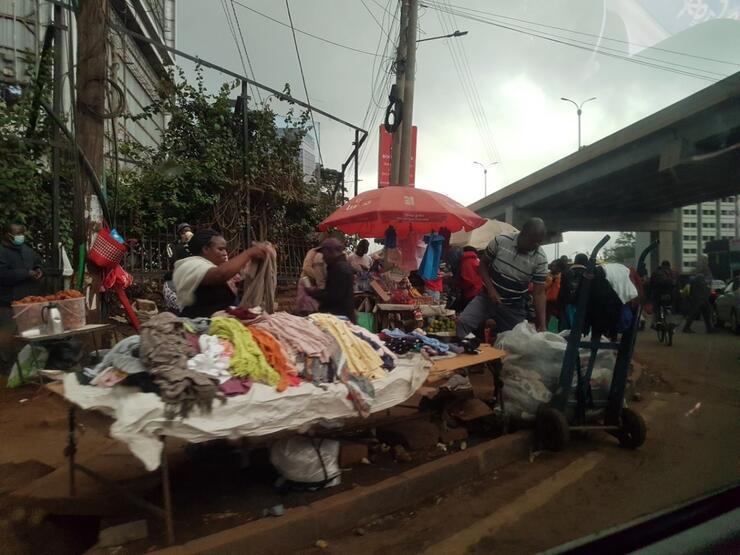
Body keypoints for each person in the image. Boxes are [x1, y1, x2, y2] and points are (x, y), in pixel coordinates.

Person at [456, 218, 548, 336]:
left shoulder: (540, 259)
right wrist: (491, 290)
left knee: (518, 340)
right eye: (532, 241)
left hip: (513, 307)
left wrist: (543, 325)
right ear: (522, 234)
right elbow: (482, 265)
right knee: (463, 322)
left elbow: (539, 293)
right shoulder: (500, 241)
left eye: (538, 243)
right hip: (486, 298)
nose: (535, 246)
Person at [173, 229, 266, 318]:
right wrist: (249, 254)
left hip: (223, 325)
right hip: (199, 327)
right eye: (220, 249)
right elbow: (220, 275)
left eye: (225, 249)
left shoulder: (214, 267)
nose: (225, 253)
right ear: (205, 249)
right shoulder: (189, 265)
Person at [0, 222, 45, 369]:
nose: (21, 237)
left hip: (28, 302)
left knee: (28, 336)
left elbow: (38, 262)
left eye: (22, 234)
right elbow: (3, 275)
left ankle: (27, 368)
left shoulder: (26, 250)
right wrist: (26, 274)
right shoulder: (2, 252)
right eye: (18, 234)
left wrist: (38, 270)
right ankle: (7, 370)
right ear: (8, 235)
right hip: (7, 303)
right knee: (7, 338)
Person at [306, 237, 355, 322]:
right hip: (342, 316)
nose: (323, 258)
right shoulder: (340, 266)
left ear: (331, 251)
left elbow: (333, 296)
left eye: (324, 254)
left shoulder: (339, 268)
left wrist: (314, 292)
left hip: (339, 319)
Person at [558, 253, 588, 329]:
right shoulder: (589, 274)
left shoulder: (566, 272)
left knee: (567, 327)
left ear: (575, 261)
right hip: (584, 304)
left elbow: (561, 290)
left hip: (567, 303)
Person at [649, 260, 676, 328]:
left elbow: (651, 283)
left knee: (656, 308)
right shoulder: (670, 273)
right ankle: (670, 321)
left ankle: (654, 323)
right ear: (668, 266)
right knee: (668, 306)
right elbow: (675, 283)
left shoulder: (655, 272)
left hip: (657, 294)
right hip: (668, 294)